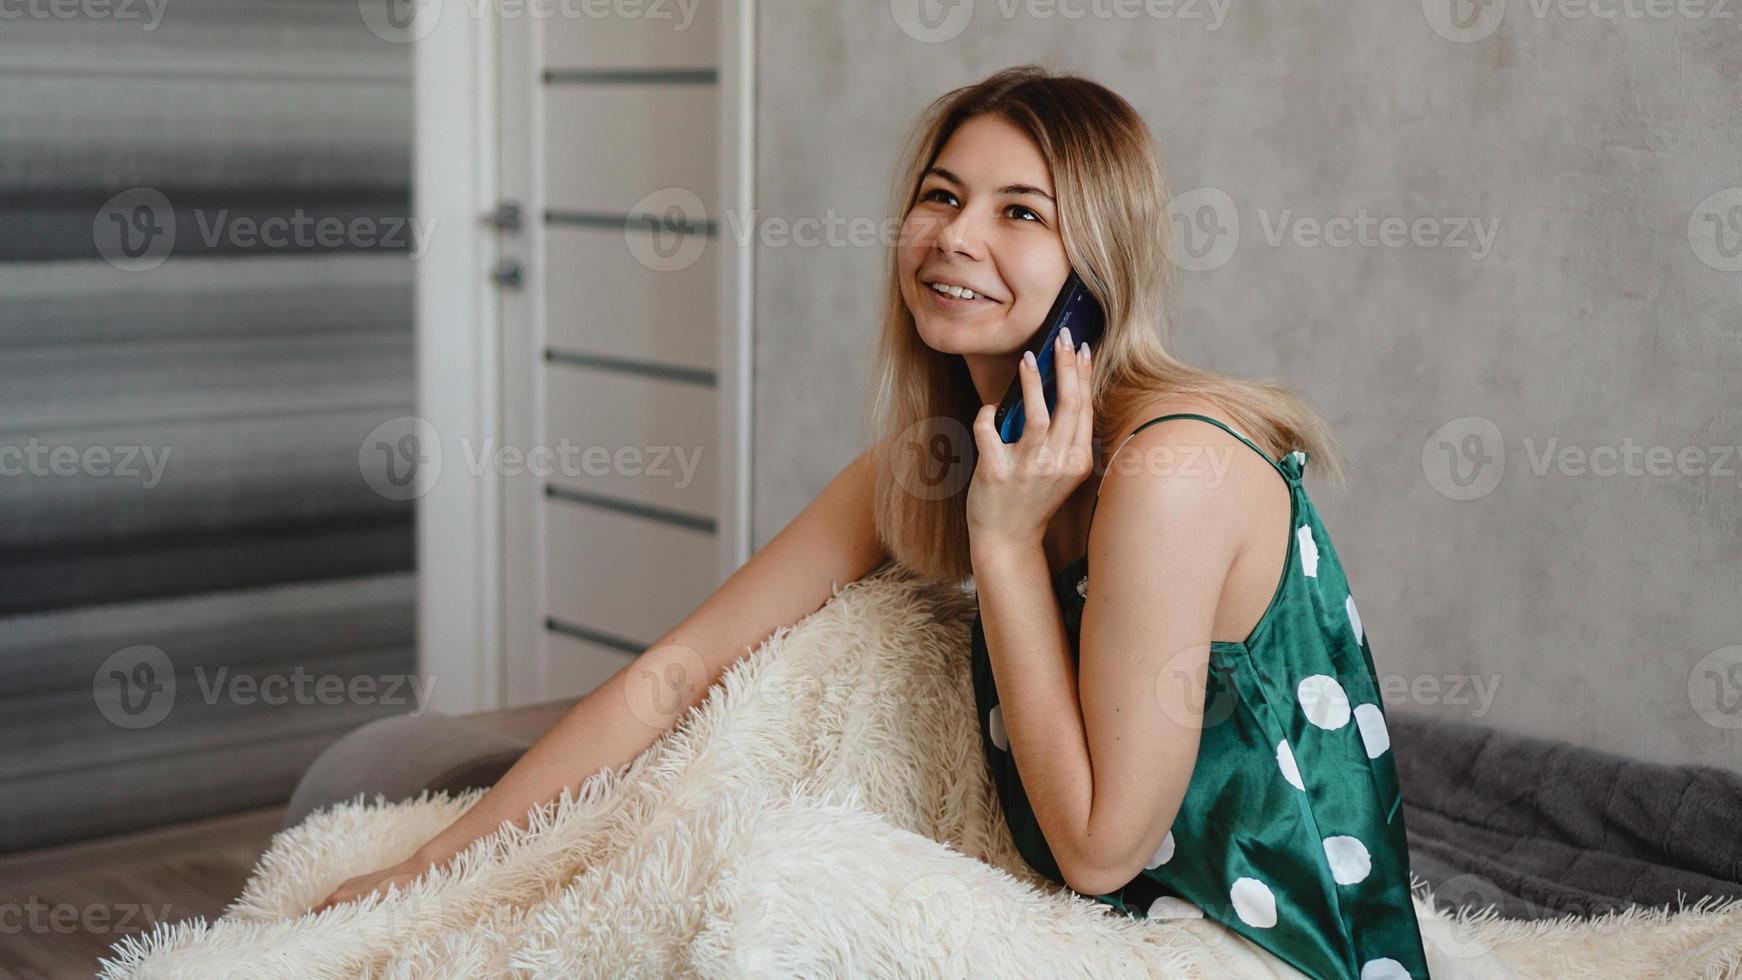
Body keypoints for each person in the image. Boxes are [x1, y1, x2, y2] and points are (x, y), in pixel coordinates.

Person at [316, 63, 1431, 980]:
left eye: (1020, 213)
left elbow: (1101, 847)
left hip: (1261, 953)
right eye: (940, 196)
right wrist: (436, 865)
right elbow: (686, 665)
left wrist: (1000, 541)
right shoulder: (928, 462)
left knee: (777, 882)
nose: (954, 236)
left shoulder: (1169, 467)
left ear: (1096, 270)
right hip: (1115, 924)